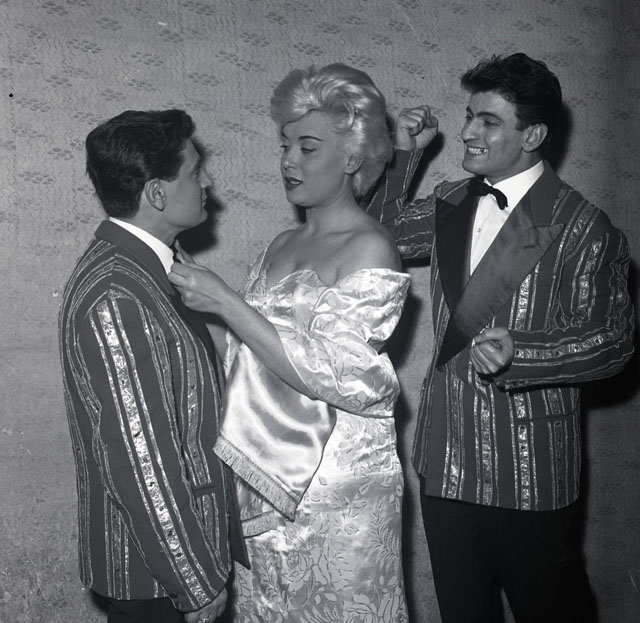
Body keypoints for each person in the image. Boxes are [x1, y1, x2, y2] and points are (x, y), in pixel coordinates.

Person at [365, 52, 635, 622]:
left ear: (532, 135)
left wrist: (526, 353)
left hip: (529, 468)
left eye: (488, 121)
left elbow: (613, 340)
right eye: (470, 116)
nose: (467, 132)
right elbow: (374, 235)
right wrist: (404, 155)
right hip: (444, 457)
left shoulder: (584, 225)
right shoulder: (450, 201)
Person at [169, 63, 410, 622]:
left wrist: (227, 302)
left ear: (351, 157)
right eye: (285, 144)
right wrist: (188, 291)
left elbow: (342, 377)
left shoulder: (371, 248)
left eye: (307, 147)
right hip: (265, 475)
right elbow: (248, 358)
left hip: (340, 488)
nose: (288, 161)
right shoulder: (280, 244)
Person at [59, 109, 248, 623]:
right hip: (156, 575)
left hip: (174, 558)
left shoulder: (153, 267)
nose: (207, 182)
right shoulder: (117, 292)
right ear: (157, 194)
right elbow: (140, 462)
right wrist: (194, 581)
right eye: (195, 171)